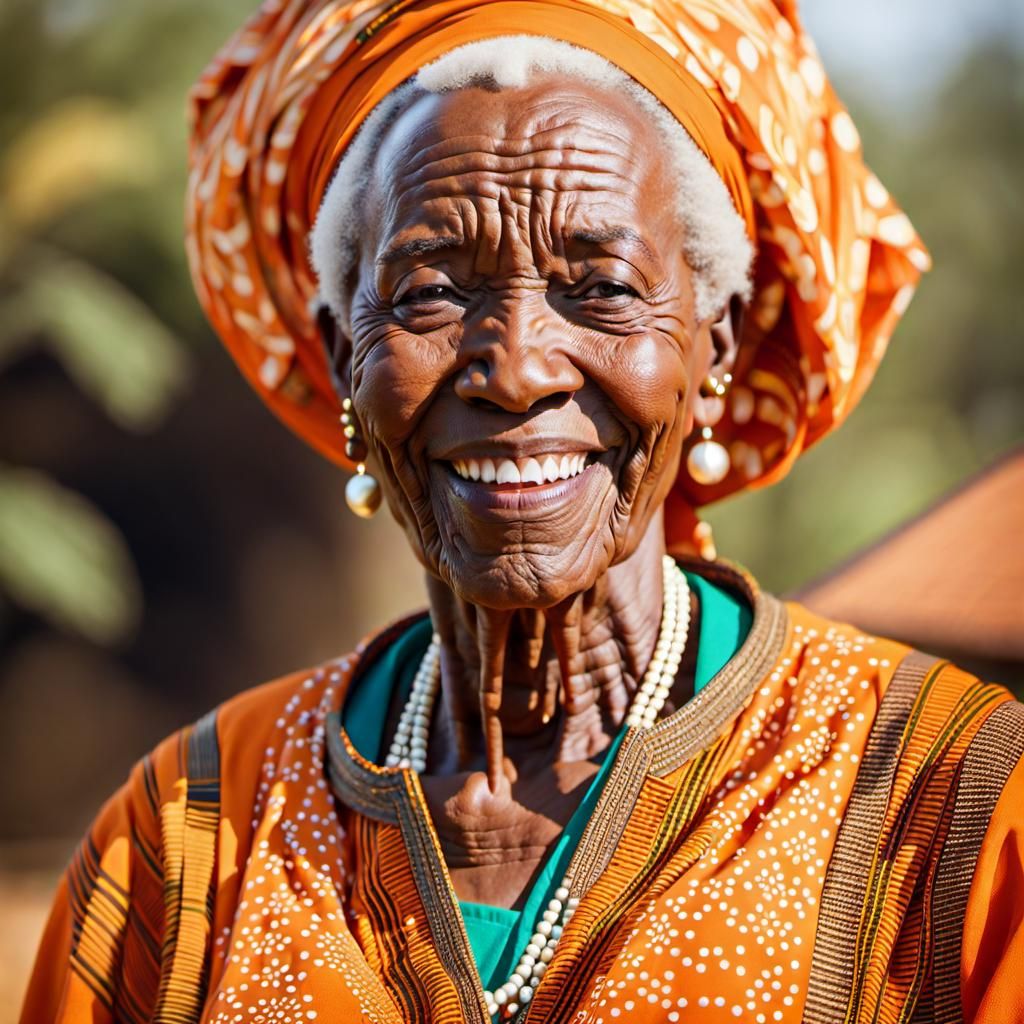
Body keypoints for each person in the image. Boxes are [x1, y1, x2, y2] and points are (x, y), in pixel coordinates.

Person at [20, 1, 1023, 1022]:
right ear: (341, 355)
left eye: (601, 287)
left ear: (713, 340)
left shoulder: (951, 806)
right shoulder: (187, 839)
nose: (515, 369)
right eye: (430, 292)